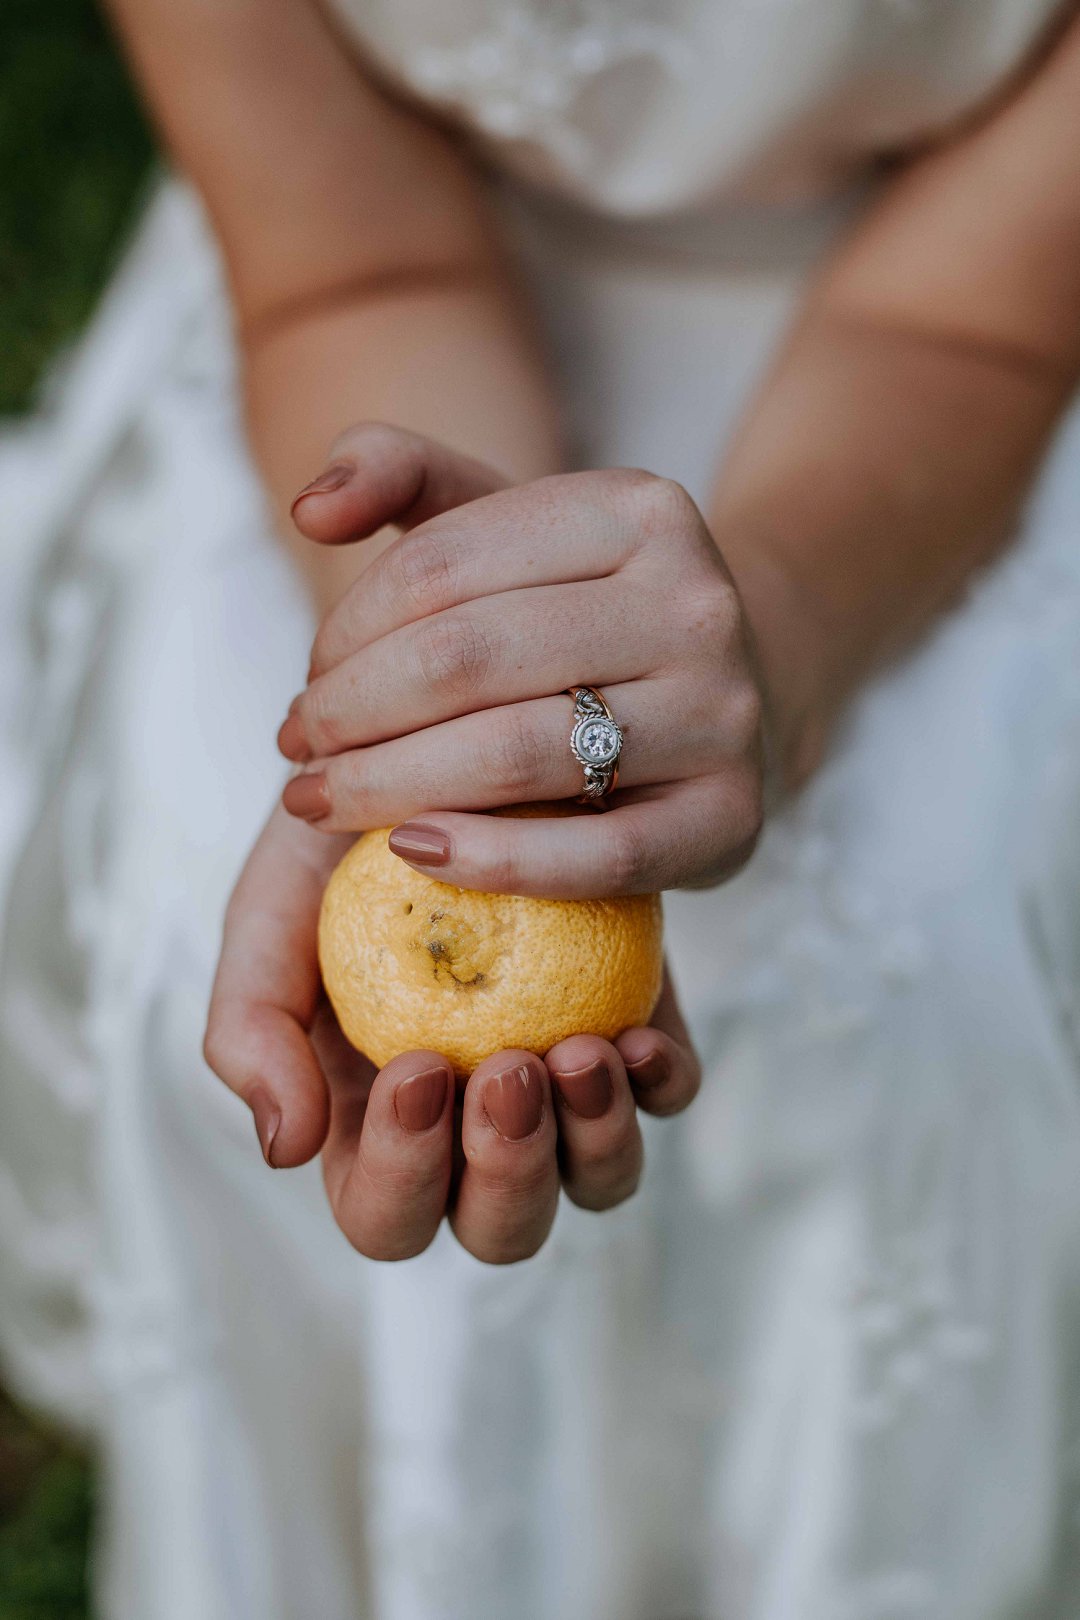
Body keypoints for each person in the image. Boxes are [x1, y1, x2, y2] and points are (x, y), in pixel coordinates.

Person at [3, 0, 1080, 1614]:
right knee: (205, 887)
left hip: (964, 345)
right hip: (382, 302)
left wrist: (766, 660)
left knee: (924, 938)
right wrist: (445, 660)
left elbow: (966, 331)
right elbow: (358, 266)